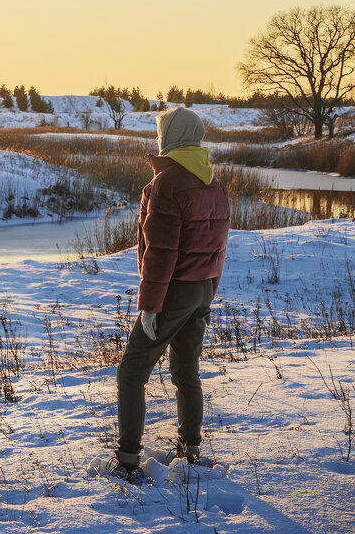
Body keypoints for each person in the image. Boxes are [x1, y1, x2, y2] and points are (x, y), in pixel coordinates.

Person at [109, 106, 230, 484]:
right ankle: (190, 449)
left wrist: (150, 305)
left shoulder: (166, 184)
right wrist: (208, 289)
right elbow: (218, 245)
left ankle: (127, 459)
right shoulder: (213, 183)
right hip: (201, 289)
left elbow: (161, 252)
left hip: (174, 290)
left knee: (132, 371)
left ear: (172, 137)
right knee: (185, 370)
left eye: (162, 132)